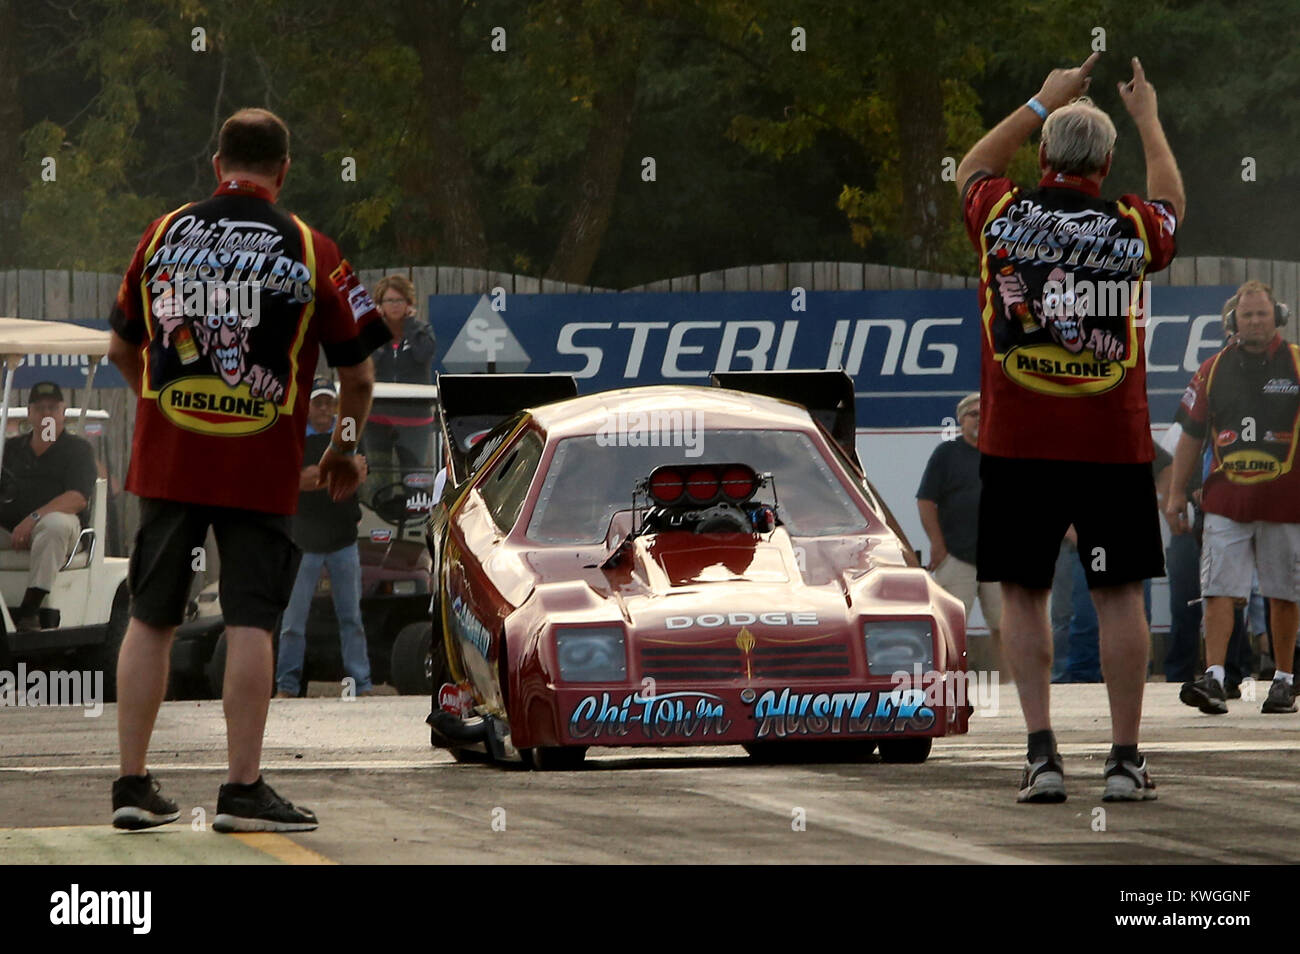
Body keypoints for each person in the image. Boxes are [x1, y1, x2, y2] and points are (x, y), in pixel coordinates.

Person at [106, 107, 389, 832]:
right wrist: (342, 448)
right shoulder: (311, 248)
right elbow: (358, 373)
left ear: (215, 163)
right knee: (252, 620)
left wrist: (166, 404)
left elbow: (118, 349)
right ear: (284, 170)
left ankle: (132, 786)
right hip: (259, 467)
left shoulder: (162, 231)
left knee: (151, 615)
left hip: (169, 461)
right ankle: (242, 789)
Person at [956, 52, 1183, 803]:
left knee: (1023, 591)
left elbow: (969, 166)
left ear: (1046, 152)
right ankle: (1122, 761)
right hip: (1111, 443)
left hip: (1019, 442)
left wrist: (1039, 97)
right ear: (1106, 161)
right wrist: (1147, 115)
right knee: (1119, 593)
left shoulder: (1001, 211)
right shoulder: (1130, 227)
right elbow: (1173, 202)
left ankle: (1041, 755)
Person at [1170, 281, 1300, 716]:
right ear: (1233, 322)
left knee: (1285, 590)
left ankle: (1283, 679)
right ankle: (1215, 676)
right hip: (1225, 500)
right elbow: (1189, 436)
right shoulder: (1211, 369)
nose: (1255, 322)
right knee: (1218, 589)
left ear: (1277, 317)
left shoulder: (1298, 363)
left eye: (1262, 314)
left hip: (1286, 501)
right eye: (1247, 316)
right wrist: (1174, 495)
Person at [276, 377, 374, 698]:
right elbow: (299, 481)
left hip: (344, 540)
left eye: (328, 403)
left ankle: (361, 684)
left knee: (352, 619)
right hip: (302, 542)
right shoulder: (294, 439)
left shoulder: (344, 433)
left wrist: (327, 473)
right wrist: (340, 472)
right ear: (307, 406)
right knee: (293, 622)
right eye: (317, 402)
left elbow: (361, 468)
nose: (323, 409)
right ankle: (287, 686)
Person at [0, 381, 96, 630]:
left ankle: (29, 609)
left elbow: (77, 497)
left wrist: (33, 518)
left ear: (63, 412)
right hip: (10, 528)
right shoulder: (10, 449)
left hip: (59, 527)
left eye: (52, 408)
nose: (46, 415)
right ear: (30, 413)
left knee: (53, 526)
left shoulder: (78, 450)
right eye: (40, 409)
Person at [917, 392, 1002, 668]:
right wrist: (937, 544)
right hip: (956, 556)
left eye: (984, 413)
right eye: (973, 414)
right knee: (948, 628)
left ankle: (1013, 684)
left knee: (1009, 629)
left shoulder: (1005, 453)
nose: (979, 419)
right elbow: (926, 501)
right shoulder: (946, 454)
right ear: (961, 420)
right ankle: (948, 680)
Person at [364, 274, 437, 472]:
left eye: (399, 300)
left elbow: (423, 355)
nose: (395, 305)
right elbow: (368, 363)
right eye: (389, 300)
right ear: (379, 304)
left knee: (415, 478)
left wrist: (410, 326)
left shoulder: (423, 330)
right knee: (378, 478)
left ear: (408, 303)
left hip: (416, 421)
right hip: (376, 420)